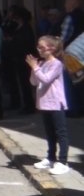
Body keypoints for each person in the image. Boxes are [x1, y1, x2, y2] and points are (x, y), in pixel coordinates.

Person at [28, 36, 69, 175]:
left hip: (55, 103)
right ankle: (51, 157)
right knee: (49, 133)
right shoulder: (43, 64)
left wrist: (35, 68)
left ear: (51, 48)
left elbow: (46, 79)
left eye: (41, 47)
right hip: (44, 103)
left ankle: (63, 162)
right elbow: (34, 82)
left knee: (60, 133)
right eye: (38, 47)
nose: (39, 50)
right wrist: (34, 69)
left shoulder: (56, 64)